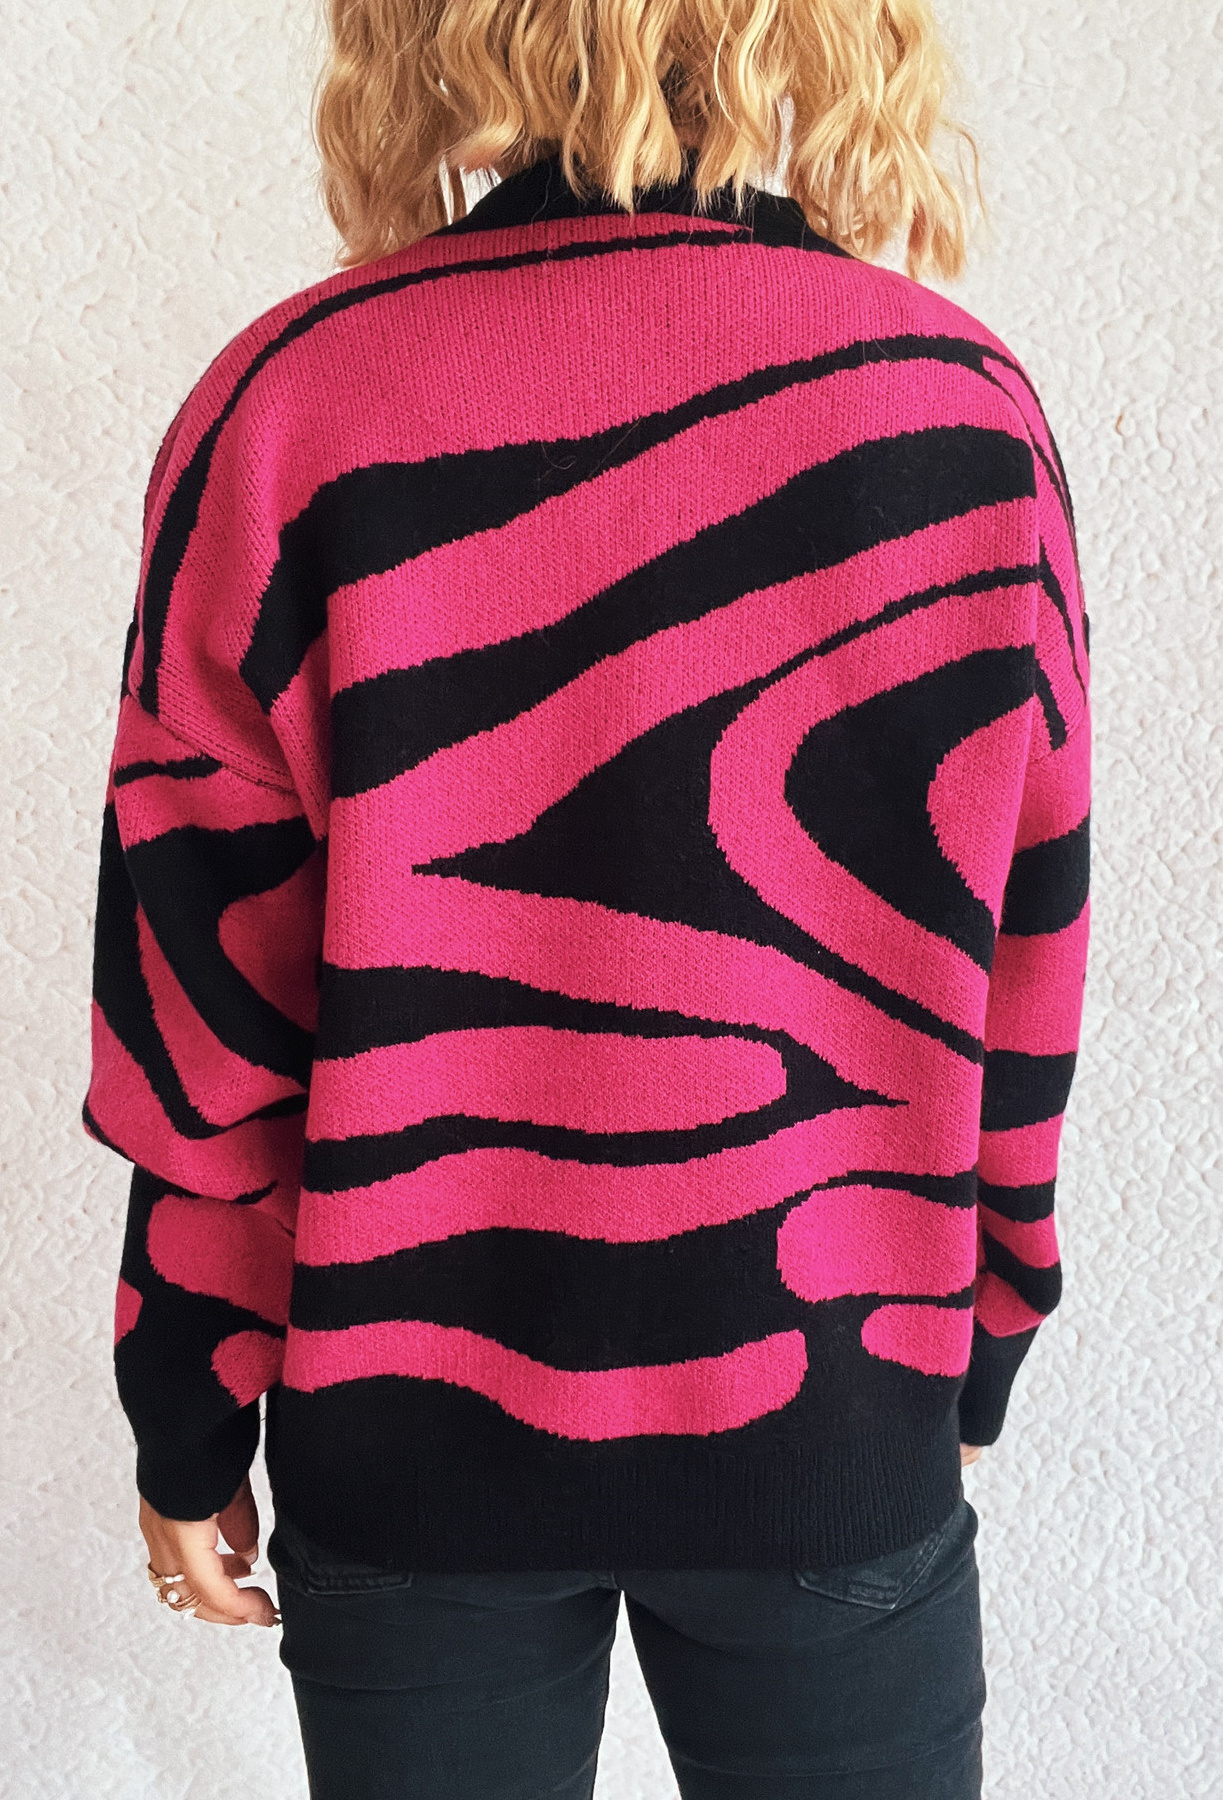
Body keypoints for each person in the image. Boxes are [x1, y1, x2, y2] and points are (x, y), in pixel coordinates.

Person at [88, 2, 1090, 1794]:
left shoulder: (292, 405)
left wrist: (187, 1396)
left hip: (407, 1433)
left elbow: (200, 998)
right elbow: (1027, 949)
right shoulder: (956, 413)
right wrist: (979, 1339)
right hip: (831, 1405)